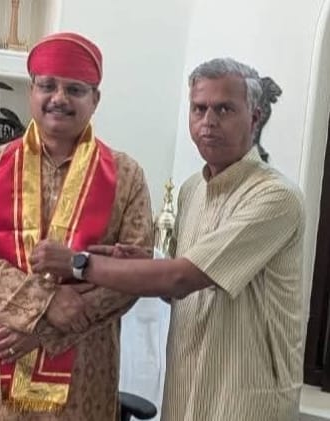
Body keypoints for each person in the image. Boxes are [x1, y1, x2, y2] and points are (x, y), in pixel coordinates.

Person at [32, 58, 305, 421]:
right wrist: (143, 265)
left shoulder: (274, 196)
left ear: (254, 118)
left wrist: (77, 263)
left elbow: (181, 278)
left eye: (224, 109)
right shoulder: (193, 190)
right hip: (187, 386)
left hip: (246, 396)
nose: (209, 121)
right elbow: (179, 290)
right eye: (199, 109)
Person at [0, 32, 153, 420]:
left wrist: (44, 330)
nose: (59, 98)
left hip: (83, 371)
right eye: (48, 85)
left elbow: (135, 272)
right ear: (31, 92)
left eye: (75, 89)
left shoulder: (126, 175)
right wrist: (43, 304)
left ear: (95, 99)